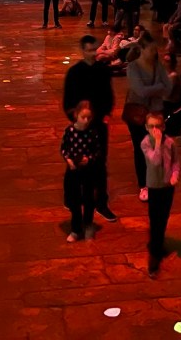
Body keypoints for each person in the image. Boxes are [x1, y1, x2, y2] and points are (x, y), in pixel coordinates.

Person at [62, 35, 117, 222]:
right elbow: (68, 101)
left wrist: (105, 115)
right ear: (83, 50)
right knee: (76, 162)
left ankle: (101, 203)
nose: (93, 53)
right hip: (80, 126)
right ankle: (72, 198)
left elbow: (108, 96)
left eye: (94, 49)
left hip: (99, 123)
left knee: (100, 163)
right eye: (89, 50)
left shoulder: (103, 70)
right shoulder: (74, 72)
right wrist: (77, 120)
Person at [125, 34, 173, 202]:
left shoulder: (157, 66)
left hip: (155, 114)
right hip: (137, 114)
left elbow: (168, 87)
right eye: (150, 49)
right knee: (140, 149)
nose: (154, 52)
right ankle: (143, 184)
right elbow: (141, 91)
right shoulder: (133, 67)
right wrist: (159, 87)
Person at [141, 111, 180, 277]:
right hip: (154, 187)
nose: (155, 130)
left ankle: (157, 243)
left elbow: (176, 161)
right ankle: (154, 255)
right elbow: (155, 161)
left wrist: (175, 175)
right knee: (155, 219)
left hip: (167, 186)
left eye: (158, 126)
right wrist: (157, 142)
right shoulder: (145, 143)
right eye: (151, 126)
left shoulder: (170, 142)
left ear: (163, 127)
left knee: (163, 218)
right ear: (146, 127)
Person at [60, 101, 103, 242]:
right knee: (74, 200)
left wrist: (89, 159)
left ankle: (88, 225)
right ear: (76, 115)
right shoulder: (70, 131)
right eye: (83, 117)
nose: (86, 121)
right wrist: (69, 160)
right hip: (73, 170)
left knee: (89, 199)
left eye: (89, 118)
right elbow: (64, 148)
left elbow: (97, 151)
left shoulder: (92, 132)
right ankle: (76, 229)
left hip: (88, 171)